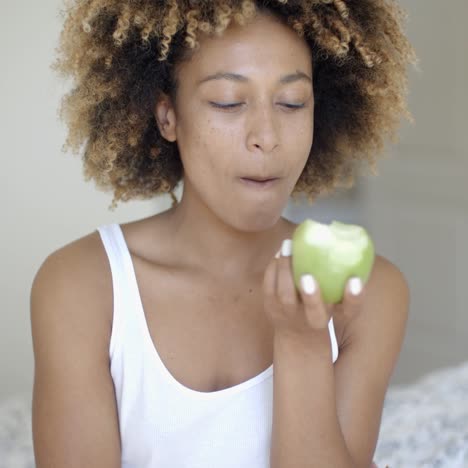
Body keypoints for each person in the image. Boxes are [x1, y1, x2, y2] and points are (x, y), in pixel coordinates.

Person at [30, 1, 417, 467]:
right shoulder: (80, 287)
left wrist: (301, 340)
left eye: (292, 103)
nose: (267, 136)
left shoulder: (372, 291)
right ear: (168, 117)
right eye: (229, 103)